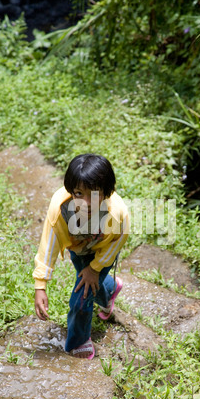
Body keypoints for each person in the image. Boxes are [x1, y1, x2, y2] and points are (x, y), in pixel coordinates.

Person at [33, 154, 129, 359]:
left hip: (104, 249)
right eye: (78, 193)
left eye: (93, 194)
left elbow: (118, 240)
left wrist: (95, 268)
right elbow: (48, 244)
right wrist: (40, 284)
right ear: (70, 191)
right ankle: (111, 288)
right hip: (78, 249)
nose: (85, 203)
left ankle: (79, 341)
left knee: (82, 297)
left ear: (107, 191)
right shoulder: (60, 211)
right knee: (90, 282)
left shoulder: (117, 212)